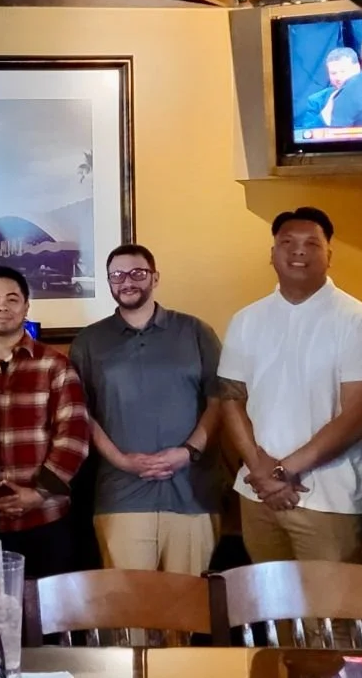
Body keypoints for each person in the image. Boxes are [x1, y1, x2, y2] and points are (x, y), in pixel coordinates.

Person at [218, 207, 362, 564]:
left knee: (328, 617)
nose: (298, 251)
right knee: (269, 613)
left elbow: (357, 418)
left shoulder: (359, 322)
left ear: (329, 254)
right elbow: (231, 398)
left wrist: (284, 471)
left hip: (327, 500)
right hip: (258, 495)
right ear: (272, 254)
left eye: (311, 243)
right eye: (287, 242)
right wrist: (259, 467)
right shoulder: (246, 320)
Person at [69, 244, 224, 575]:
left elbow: (219, 401)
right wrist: (122, 461)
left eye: (137, 273)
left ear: (155, 277)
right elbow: (82, 415)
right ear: (109, 282)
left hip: (191, 494)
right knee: (130, 615)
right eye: (117, 275)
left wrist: (188, 452)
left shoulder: (196, 332)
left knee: (187, 611)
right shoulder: (89, 342)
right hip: (121, 496)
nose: (127, 281)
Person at [0, 266, 89, 578]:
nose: (2, 306)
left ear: (26, 305)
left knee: (48, 619)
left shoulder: (55, 365)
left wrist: (38, 493)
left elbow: (73, 438)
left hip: (46, 520)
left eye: (11, 299)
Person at [294, 47, 360, 130]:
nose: (338, 77)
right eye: (333, 73)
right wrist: (326, 114)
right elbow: (307, 136)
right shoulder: (316, 101)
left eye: (343, 71)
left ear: (357, 68)